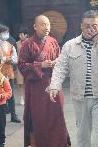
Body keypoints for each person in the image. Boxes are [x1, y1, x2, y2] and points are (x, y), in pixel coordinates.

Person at [49, 10, 98, 147]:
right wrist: (55, 86)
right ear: (81, 26)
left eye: (94, 26)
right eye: (87, 25)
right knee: (83, 136)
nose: (90, 29)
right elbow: (60, 67)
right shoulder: (70, 45)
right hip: (80, 98)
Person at [18, 15, 71, 147]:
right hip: (37, 89)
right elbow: (22, 65)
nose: (46, 27)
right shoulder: (28, 44)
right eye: (42, 24)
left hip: (54, 85)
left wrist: (56, 62)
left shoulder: (53, 41)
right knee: (39, 118)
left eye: (47, 24)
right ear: (35, 27)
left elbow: (61, 60)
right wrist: (40, 65)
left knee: (57, 115)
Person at [0, 24, 21, 123]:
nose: (6, 34)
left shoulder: (10, 45)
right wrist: (6, 59)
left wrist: (9, 60)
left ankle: (13, 115)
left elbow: (15, 59)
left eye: (7, 32)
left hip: (9, 74)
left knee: (11, 95)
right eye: (4, 32)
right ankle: (0, 116)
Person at [15, 26, 29, 105]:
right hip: (20, 65)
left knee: (28, 82)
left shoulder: (30, 42)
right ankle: (21, 97)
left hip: (28, 65)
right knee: (20, 82)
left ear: (26, 35)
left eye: (21, 34)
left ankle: (28, 97)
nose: (20, 36)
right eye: (19, 34)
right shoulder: (17, 43)